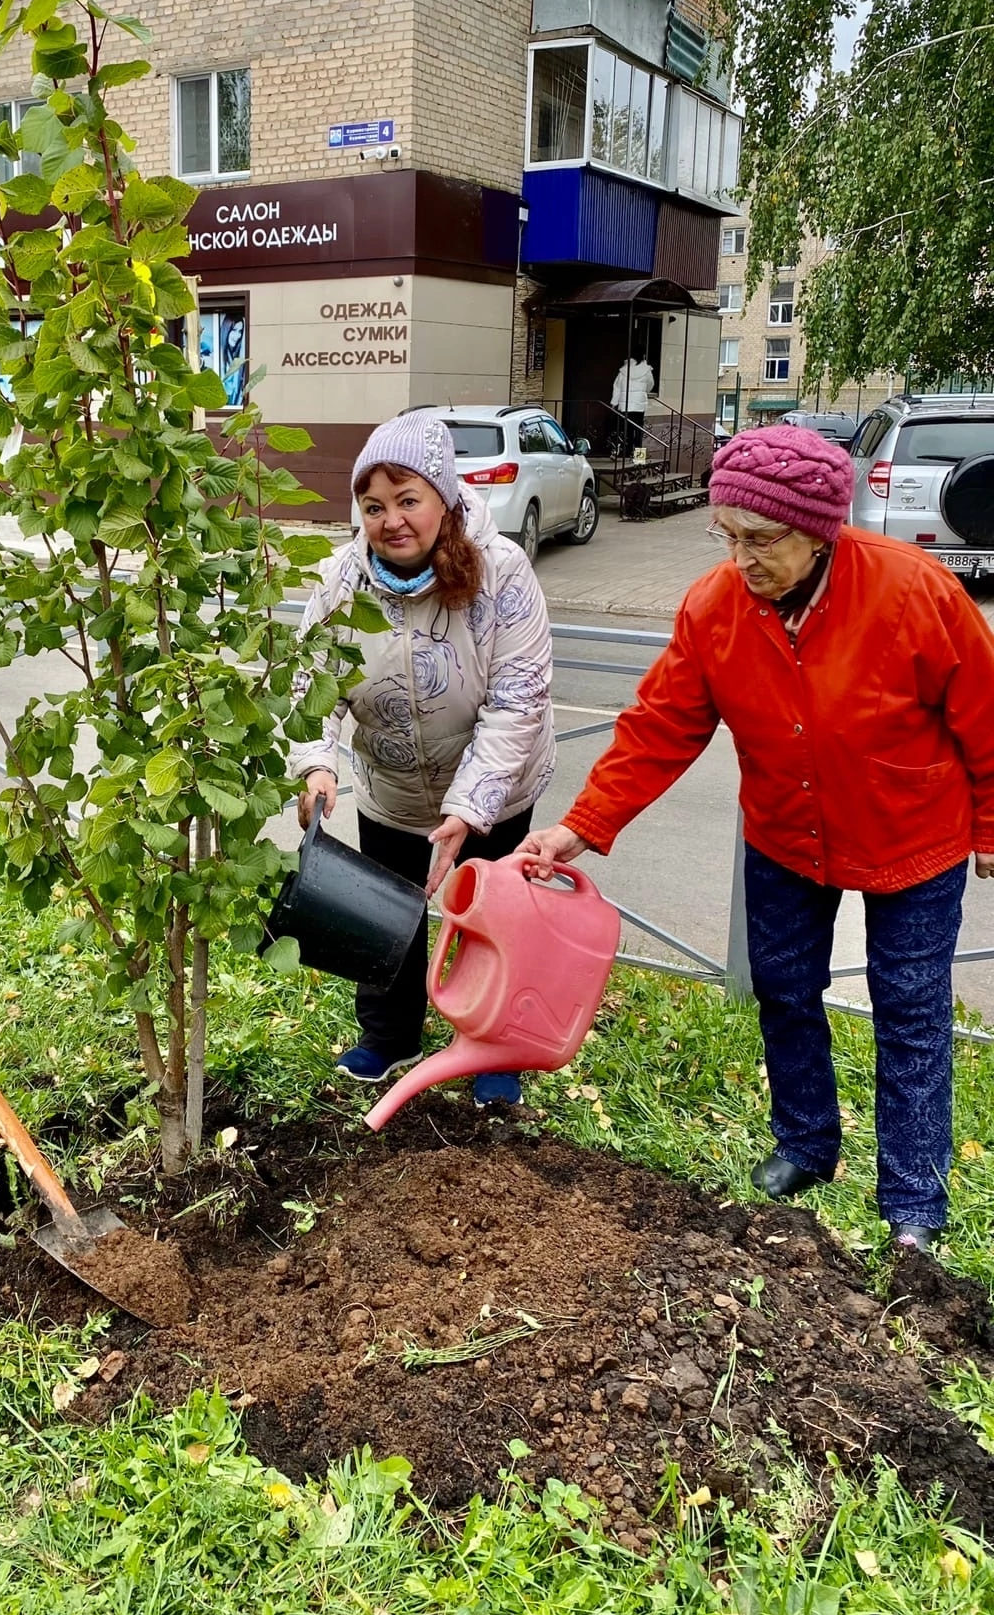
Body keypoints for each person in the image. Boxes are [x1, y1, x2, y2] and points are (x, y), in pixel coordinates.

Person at [518, 424, 994, 1253]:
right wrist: (582, 826)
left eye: (763, 539)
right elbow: (659, 726)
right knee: (782, 989)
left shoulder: (916, 593)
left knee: (909, 1015)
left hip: (910, 838)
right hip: (787, 837)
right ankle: (807, 1145)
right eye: (727, 534)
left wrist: (990, 826)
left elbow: (984, 721)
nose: (741, 558)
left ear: (822, 530)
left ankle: (913, 1203)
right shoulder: (714, 608)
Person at [290, 412, 558, 1106]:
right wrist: (317, 763)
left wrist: (469, 808)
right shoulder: (342, 579)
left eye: (408, 499)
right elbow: (309, 685)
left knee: (492, 922)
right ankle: (389, 1037)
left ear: (444, 497)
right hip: (394, 790)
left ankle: (495, 1050)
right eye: (373, 506)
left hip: (495, 793)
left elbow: (518, 701)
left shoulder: (501, 573)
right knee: (386, 914)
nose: (391, 520)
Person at [610, 354, 654, 458]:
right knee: (639, 430)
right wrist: (643, 392)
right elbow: (650, 385)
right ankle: (639, 458)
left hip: (626, 405)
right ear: (643, 356)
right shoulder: (646, 370)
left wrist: (614, 402)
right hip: (639, 404)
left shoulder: (624, 371)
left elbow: (617, 387)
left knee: (627, 430)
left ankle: (627, 453)